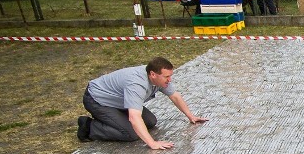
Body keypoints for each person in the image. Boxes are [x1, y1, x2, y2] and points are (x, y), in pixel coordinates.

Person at [77, 57, 208, 149]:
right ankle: (89, 127)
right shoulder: (137, 84)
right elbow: (134, 117)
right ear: (153, 74)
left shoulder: (159, 79)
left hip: (119, 101)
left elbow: (175, 96)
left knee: (150, 122)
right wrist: (152, 143)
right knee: (130, 133)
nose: (170, 80)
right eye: (167, 77)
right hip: (97, 99)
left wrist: (191, 116)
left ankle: (112, 120)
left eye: (170, 76)